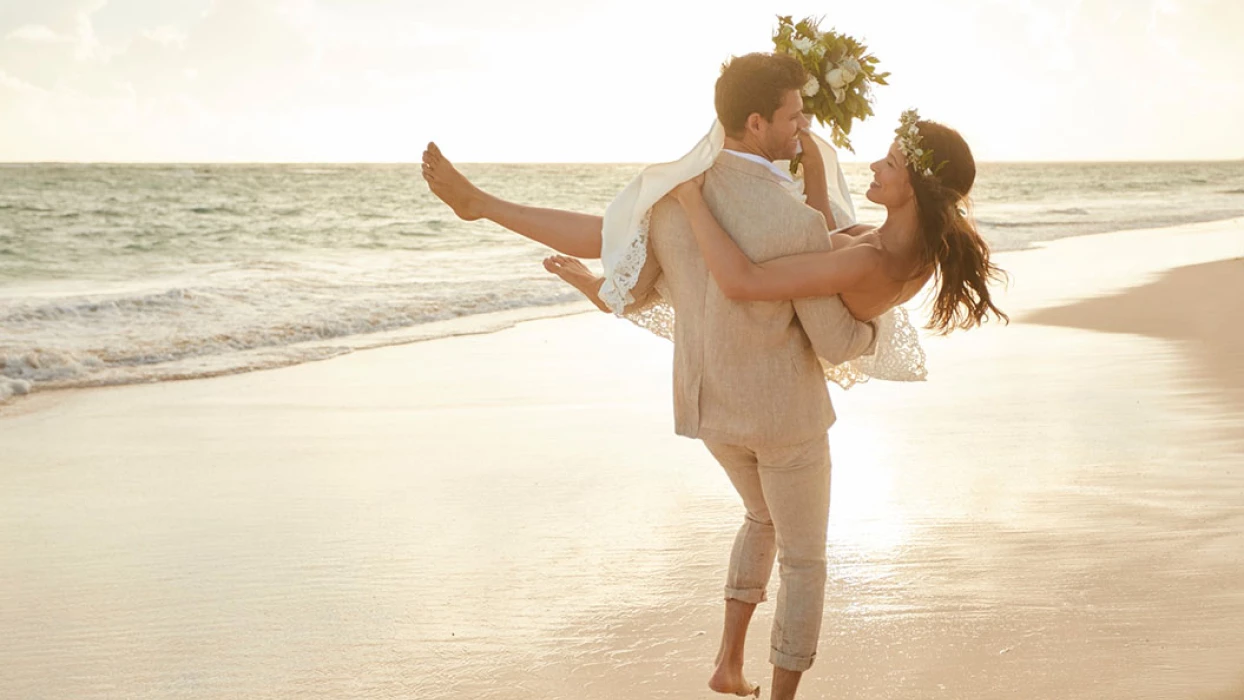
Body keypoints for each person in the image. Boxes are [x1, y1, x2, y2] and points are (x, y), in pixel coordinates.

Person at [424, 52, 882, 700]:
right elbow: (832, 340)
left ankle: (728, 664)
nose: (802, 128)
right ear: (756, 124)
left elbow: (627, 289)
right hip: (784, 422)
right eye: (793, 117)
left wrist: (589, 284)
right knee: (804, 564)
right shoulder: (795, 221)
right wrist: (877, 326)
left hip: (712, 414)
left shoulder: (672, 201)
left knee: (760, 517)